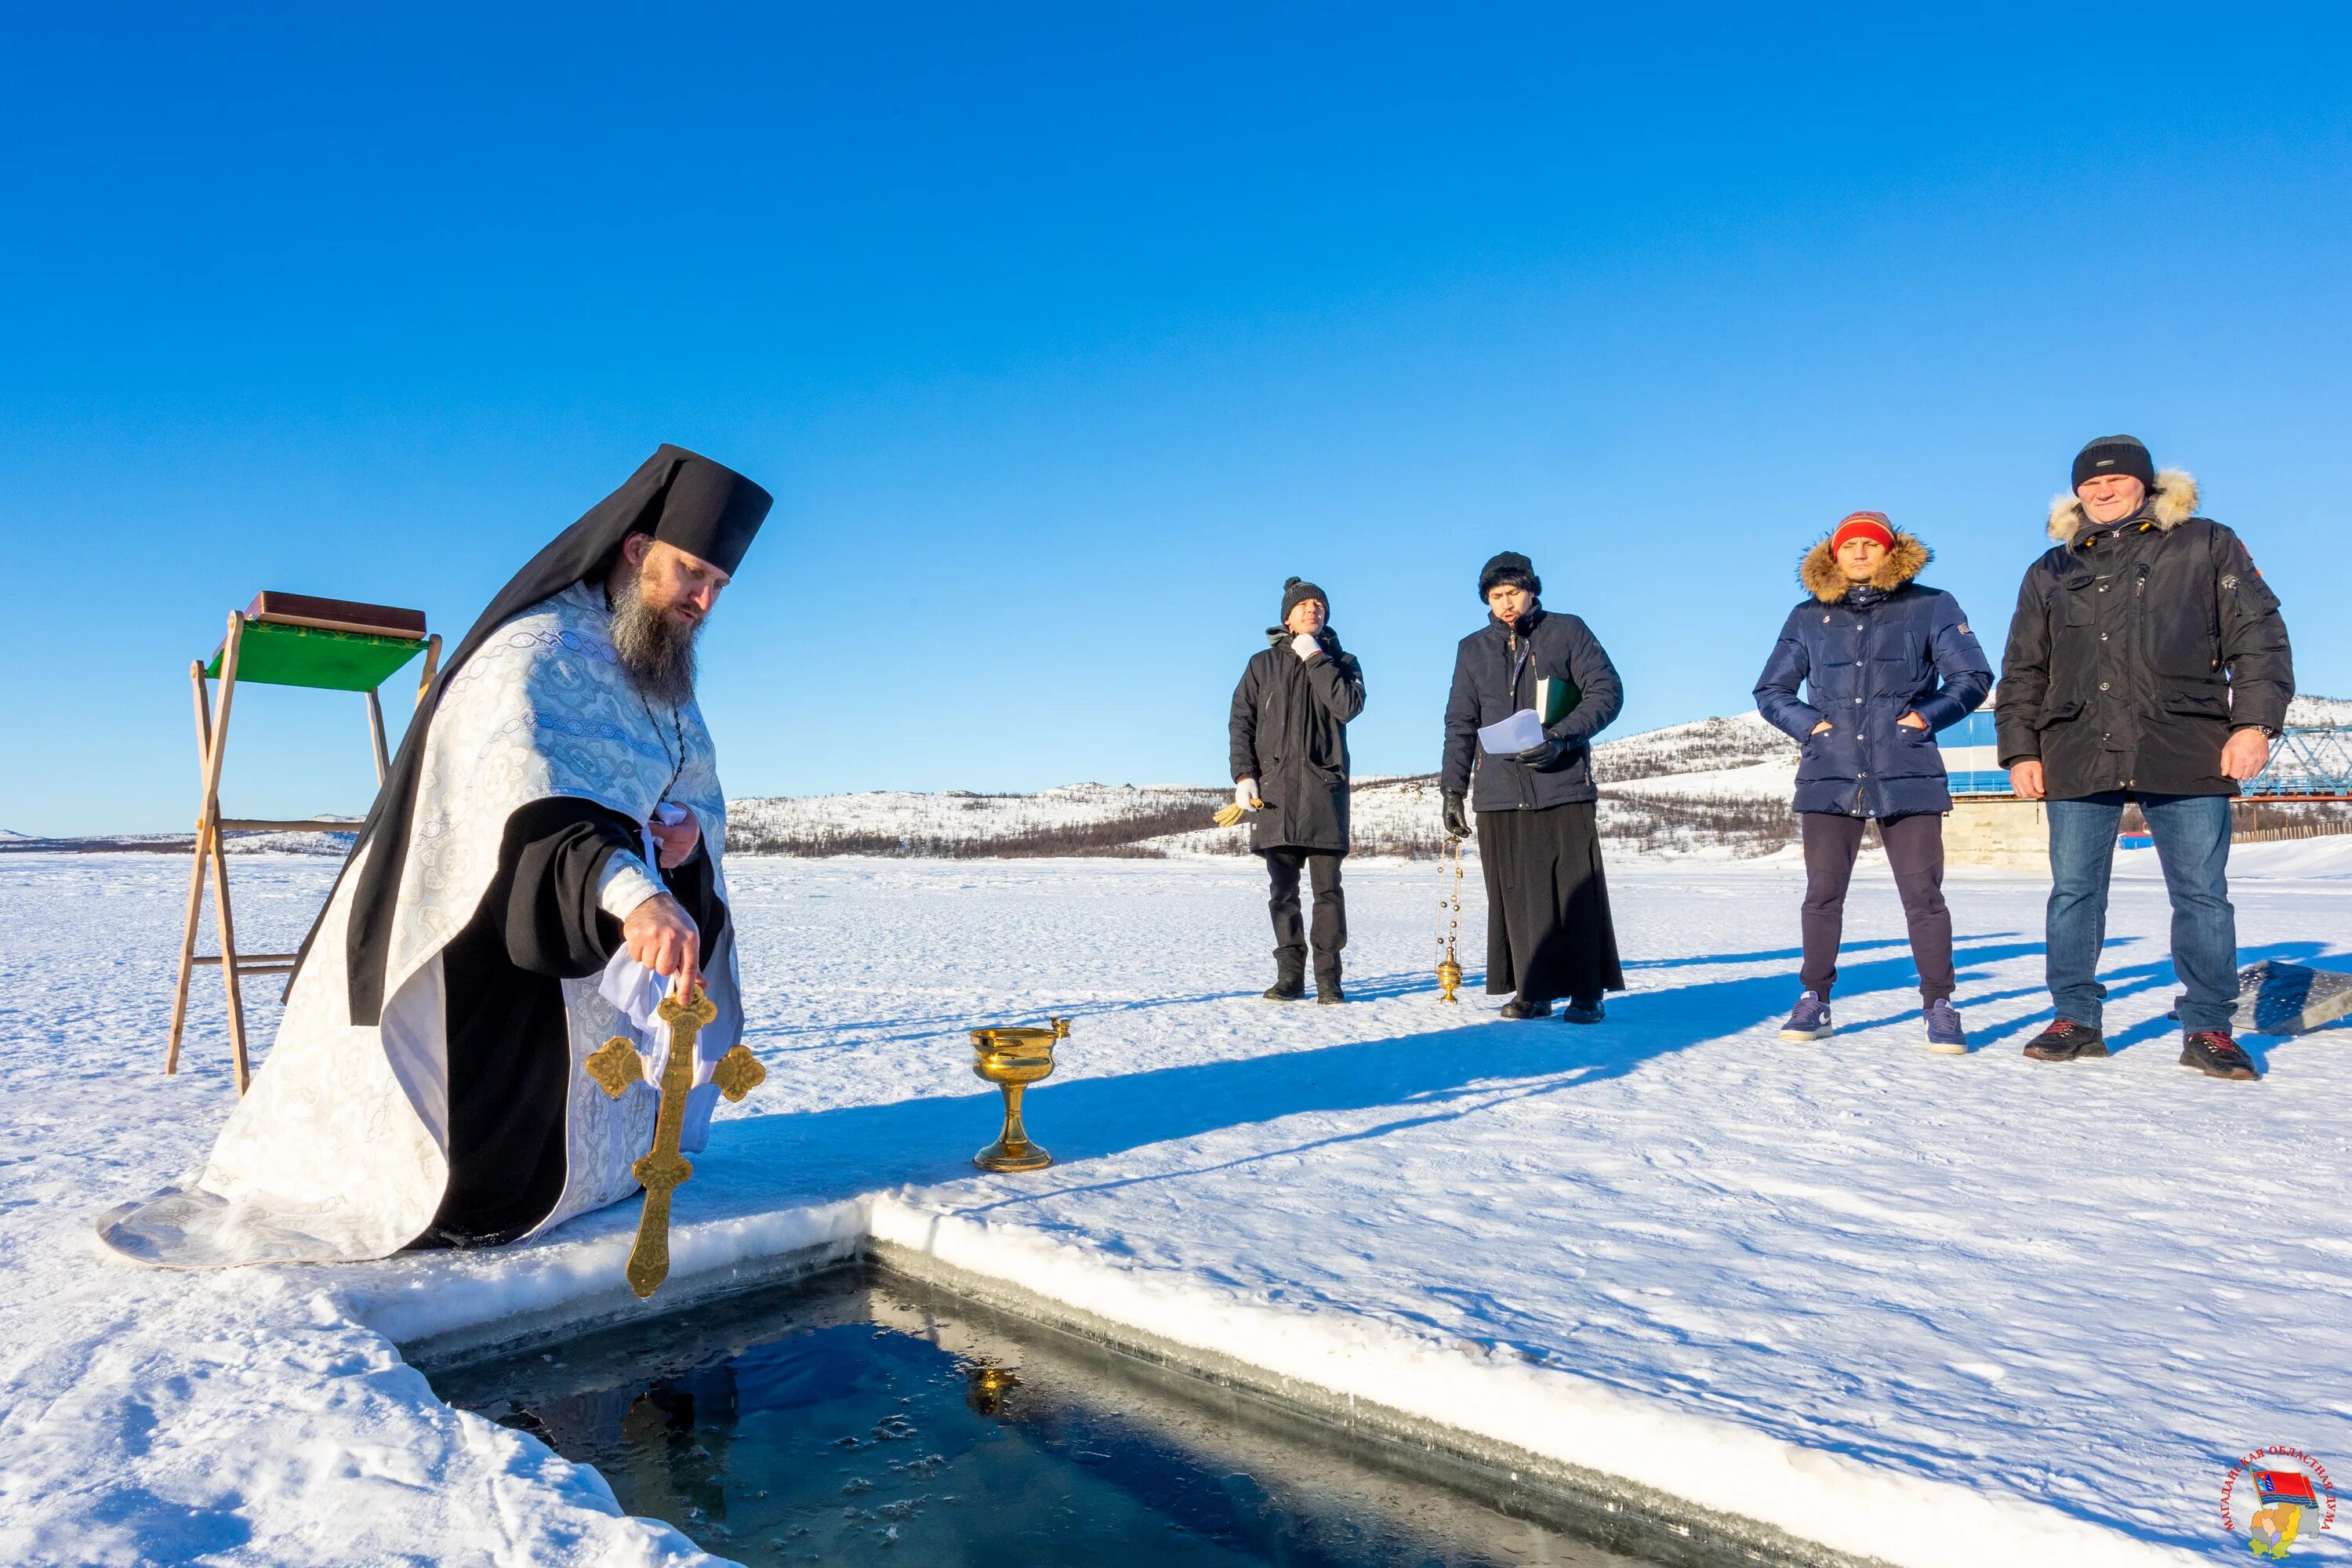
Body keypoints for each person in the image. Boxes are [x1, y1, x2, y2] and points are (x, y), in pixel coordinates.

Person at [103, 445, 774, 1266]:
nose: (703, 600)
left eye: (718, 587)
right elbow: (530, 811)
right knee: (460, 1166)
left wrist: (688, 842)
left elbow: (691, 794)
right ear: (637, 550)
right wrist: (634, 892)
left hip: (604, 957)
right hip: (482, 944)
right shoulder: (534, 653)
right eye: (692, 574)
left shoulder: (662, 677)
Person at [1996, 435, 2293, 1080]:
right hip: (2077, 745)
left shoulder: (2205, 543)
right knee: (2074, 893)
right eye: (2090, 485)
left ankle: (2209, 1027)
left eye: (2117, 481)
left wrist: (2254, 724)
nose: (2103, 492)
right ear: (2075, 493)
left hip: (2184, 739)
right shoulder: (2050, 569)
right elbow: (2023, 669)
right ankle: (2075, 1018)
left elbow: (2260, 638)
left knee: (2202, 895)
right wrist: (2020, 748)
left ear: (2147, 485)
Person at [1754, 512, 1992, 1051]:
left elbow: (1972, 677)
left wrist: (1924, 718)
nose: (1860, 553)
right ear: (1833, 555)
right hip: (1829, 771)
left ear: (1891, 553)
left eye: (1871, 544)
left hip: (1907, 769)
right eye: (1850, 545)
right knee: (1822, 895)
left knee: (1923, 896)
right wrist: (1810, 726)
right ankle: (1815, 1000)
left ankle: (1940, 1004)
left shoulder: (1931, 606)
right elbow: (1771, 690)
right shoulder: (1808, 616)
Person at [1441, 552, 1624, 1022]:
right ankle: (1532, 990)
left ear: (1532, 590)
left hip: (1562, 784)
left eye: (1513, 593)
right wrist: (1452, 790)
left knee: (1574, 893)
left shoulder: (1568, 630)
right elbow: (1460, 723)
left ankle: (1587, 993)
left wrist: (1561, 739)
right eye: (1496, 596)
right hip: (1500, 792)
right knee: (1517, 895)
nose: (1506, 604)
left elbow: (1607, 692)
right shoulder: (1472, 648)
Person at [1229, 576, 1367, 1003]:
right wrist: (1244, 776)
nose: (1313, 610)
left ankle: (1329, 978)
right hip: (1273, 794)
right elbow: (1241, 723)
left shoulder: (1343, 660)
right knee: (1282, 893)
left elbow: (1348, 707)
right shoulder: (1261, 665)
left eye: (1319, 605)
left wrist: (1316, 659)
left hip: (1324, 790)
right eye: (1304, 605)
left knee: (1328, 892)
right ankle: (1290, 976)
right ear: (1286, 617)